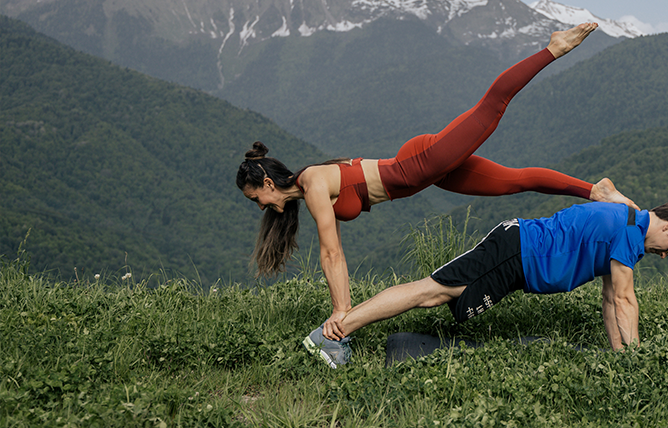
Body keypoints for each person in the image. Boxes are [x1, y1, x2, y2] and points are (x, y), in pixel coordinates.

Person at [236, 23, 639, 340]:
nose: (261, 207)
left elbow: (332, 254)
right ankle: (593, 190)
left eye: (256, 198)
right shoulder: (310, 187)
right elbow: (333, 253)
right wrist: (343, 306)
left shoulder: (313, 183)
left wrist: (343, 312)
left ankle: (552, 49)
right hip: (425, 174)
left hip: (420, 164)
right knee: (514, 182)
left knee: (491, 108)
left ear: (268, 182)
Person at [302, 200, 668, 367]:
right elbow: (625, 299)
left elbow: (610, 300)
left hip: (518, 254)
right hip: (516, 253)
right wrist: (637, 364)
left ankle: (336, 332)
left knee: (434, 292)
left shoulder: (629, 223)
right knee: (431, 291)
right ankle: (333, 334)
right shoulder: (631, 232)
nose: (666, 253)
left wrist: (619, 357)